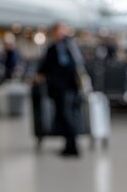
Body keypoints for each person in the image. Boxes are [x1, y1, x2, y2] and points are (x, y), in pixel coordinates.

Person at [36, 22, 84, 157]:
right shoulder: (52, 49)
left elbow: (77, 64)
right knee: (64, 115)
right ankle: (70, 144)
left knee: (68, 115)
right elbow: (45, 66)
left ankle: (72, 145)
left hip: (70, 87)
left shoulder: (70, 47)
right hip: (58, 88)